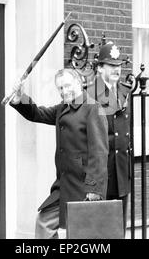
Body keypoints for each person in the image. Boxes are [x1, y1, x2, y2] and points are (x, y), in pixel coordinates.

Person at [10, 68, 108, 239]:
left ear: (79, 82)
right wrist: (20, 98)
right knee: (44, 223)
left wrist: (94, 188)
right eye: (60, 88)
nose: (64, 91)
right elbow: (37, 114)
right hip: (63, 185)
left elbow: (99, 151)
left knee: (81, 236)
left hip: (84, 187)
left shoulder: (93, 108)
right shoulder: (62, 108)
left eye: (67, 86)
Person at [86, 41, 132, 234]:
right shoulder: (89, 92)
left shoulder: (125, 91)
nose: (116, 70)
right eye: (111, 65)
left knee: (119, 230)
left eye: (119, 66)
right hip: (102, 173)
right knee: (100, 232)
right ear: (99, 68)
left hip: (121, 171)